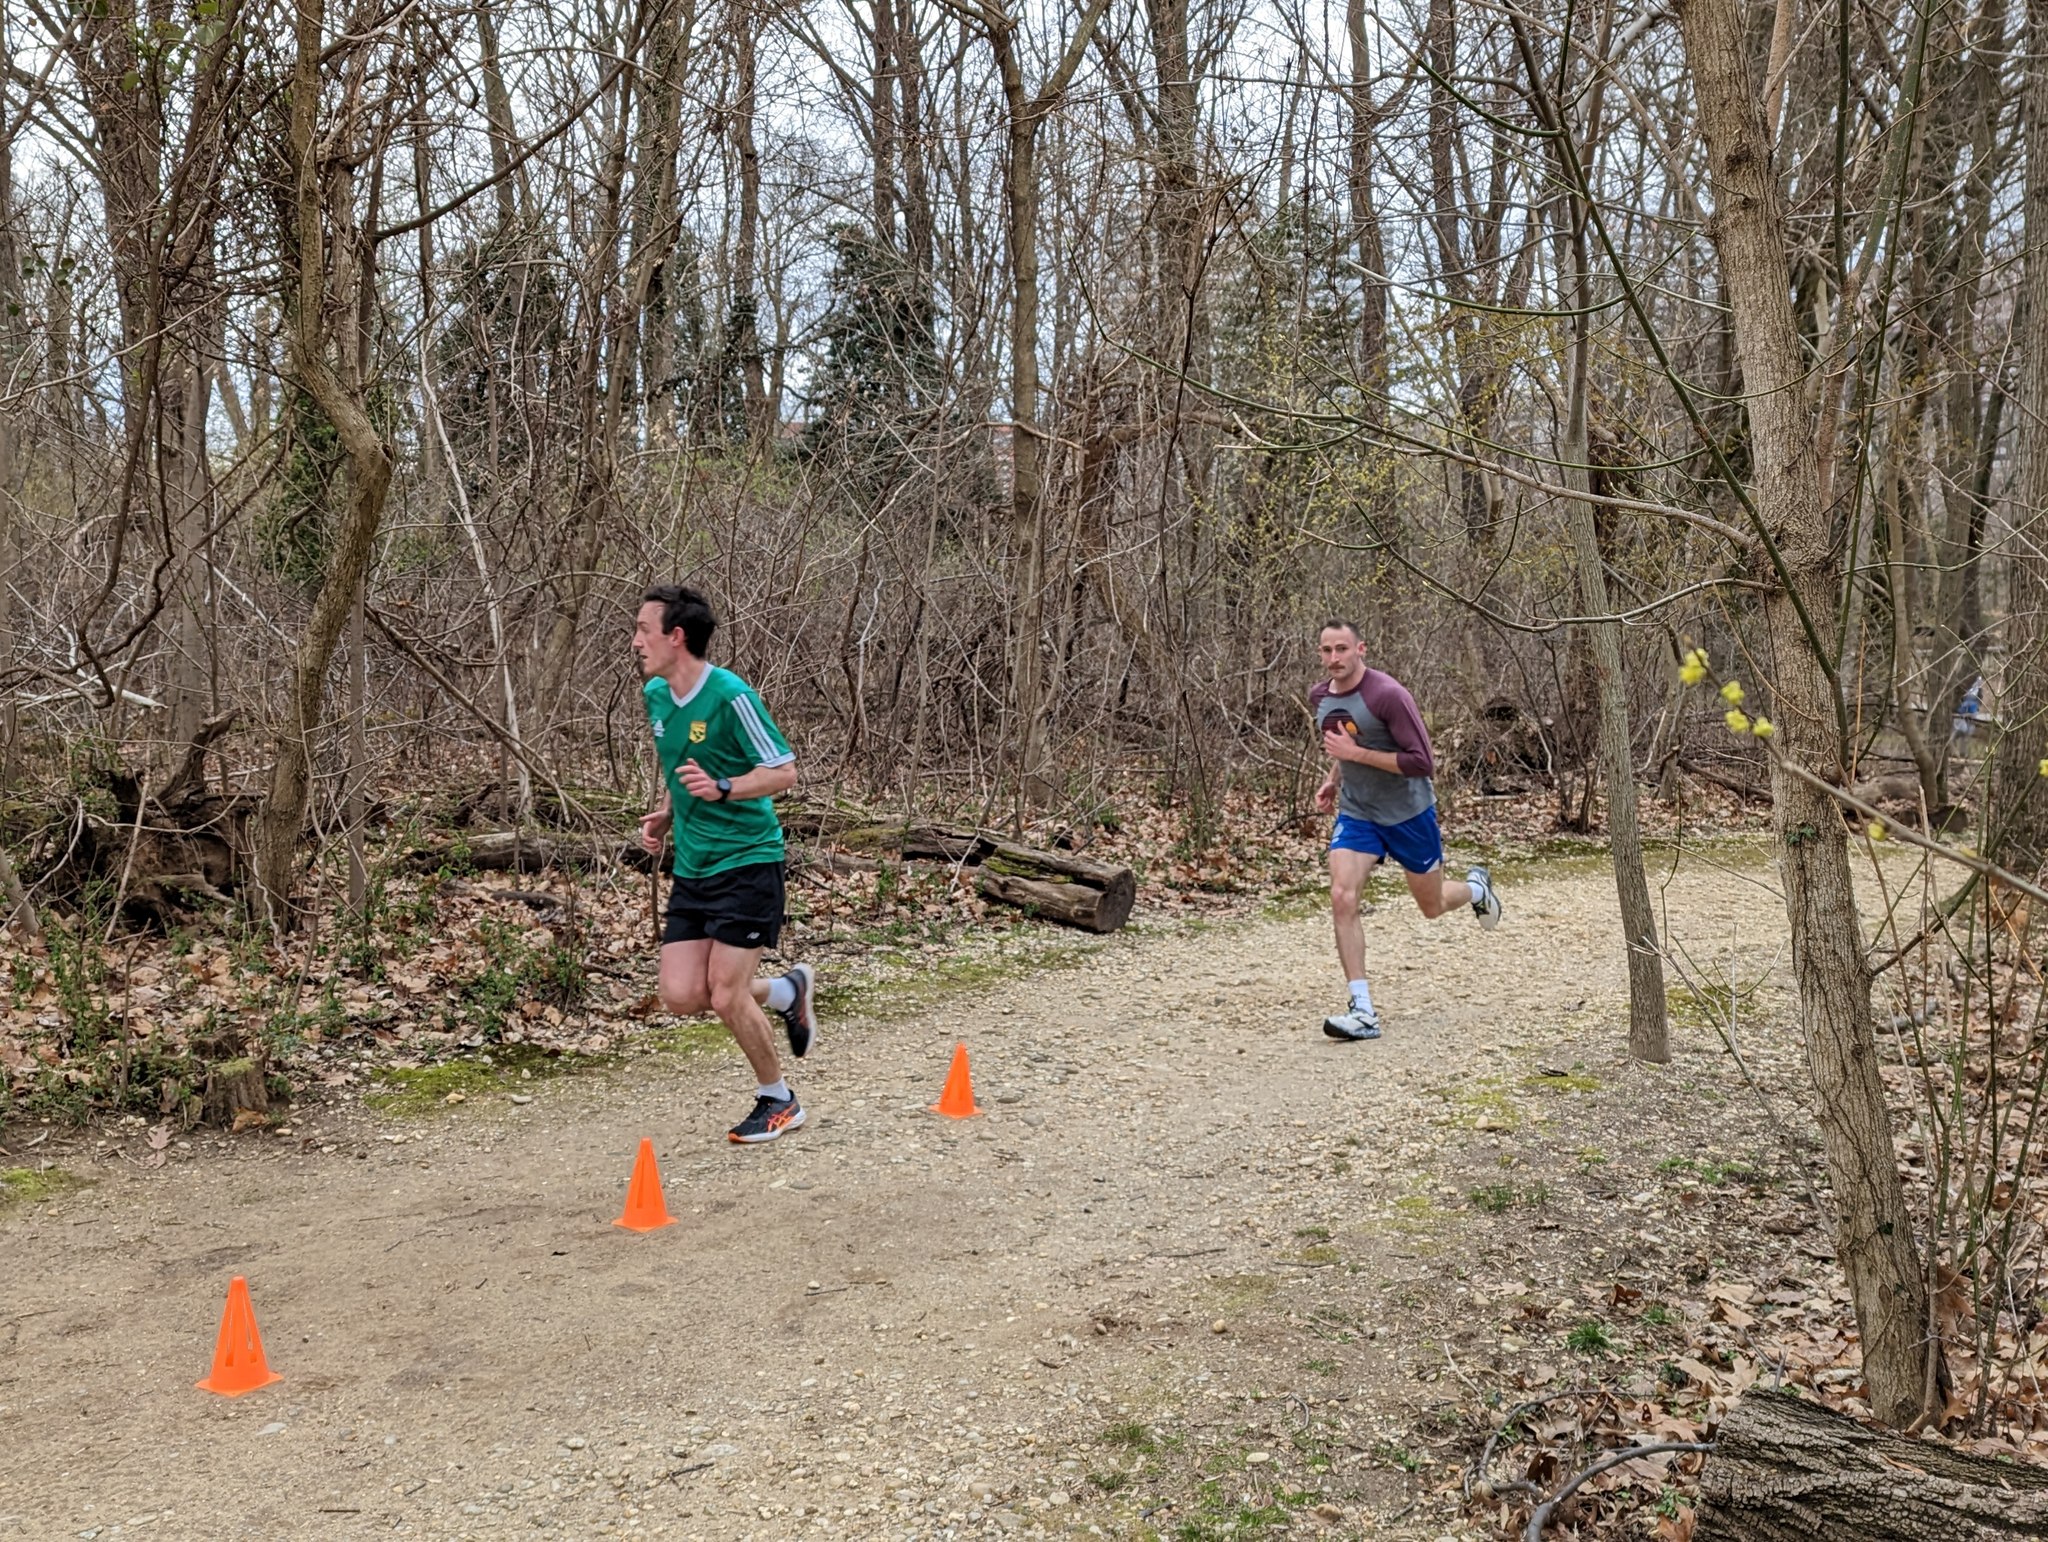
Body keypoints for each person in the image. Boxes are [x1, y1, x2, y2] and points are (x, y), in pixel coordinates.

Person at [634, 584, 818, 1143]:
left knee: (725, 993)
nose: (636, 641)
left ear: (676, 636)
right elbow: (680, 766)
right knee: (682, 995)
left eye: (644, 630)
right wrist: (668, 812)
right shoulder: (658, 696)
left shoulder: (732, 695)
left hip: (748, 861)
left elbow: (784, 771)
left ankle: (779, 1100)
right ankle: (786, 992)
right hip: (693, 865)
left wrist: (723, 787)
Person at [1311, 619, 1501, 1040]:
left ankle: (1476, 889)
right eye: (1326, 650)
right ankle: (1362, 1011)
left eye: (1342, 649)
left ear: (1362, 649)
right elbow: (1346, 745)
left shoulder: (1389, 696)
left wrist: (1354, 752)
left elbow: (1422, 762)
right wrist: (1333, 779)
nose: (1333, 659)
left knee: (1431, 906)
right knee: (1342, 896)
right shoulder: (1320, 697)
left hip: (1409, 814)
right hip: (1358, 814)